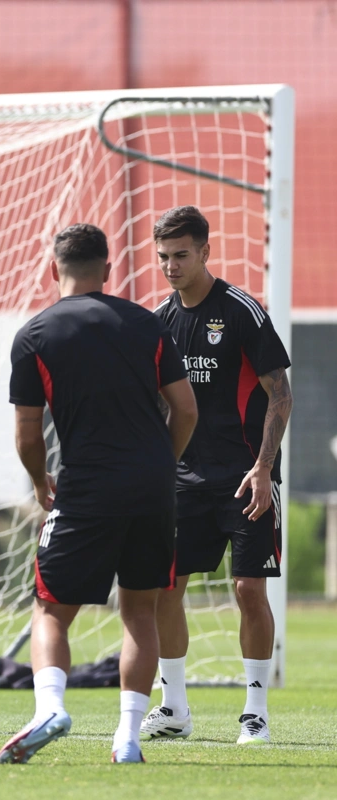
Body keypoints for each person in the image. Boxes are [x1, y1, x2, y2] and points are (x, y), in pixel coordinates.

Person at [0, 224, 198, 765]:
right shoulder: (146, 325)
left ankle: (50, 709)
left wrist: (41, 481)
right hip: (154, 487)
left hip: (87, 485)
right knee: (140, 611)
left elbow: (27, 432)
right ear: (108, 270)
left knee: (51, 610)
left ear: (52, 269)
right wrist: (163, 466)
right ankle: (128, 740)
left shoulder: (35, 335)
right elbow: (187, 410)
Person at [143, 206, 292, 745]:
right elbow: (158, 406)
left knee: (249, 589)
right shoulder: (158, 321)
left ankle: (255, 713)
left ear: (206, 251)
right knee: (165, 588)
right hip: (182, 481)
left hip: (246, 476)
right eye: (163, 256)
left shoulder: (241, 311)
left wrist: (264, 468)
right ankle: (174, 707)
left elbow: (281, 393)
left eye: (181, 254)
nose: (171, 265)